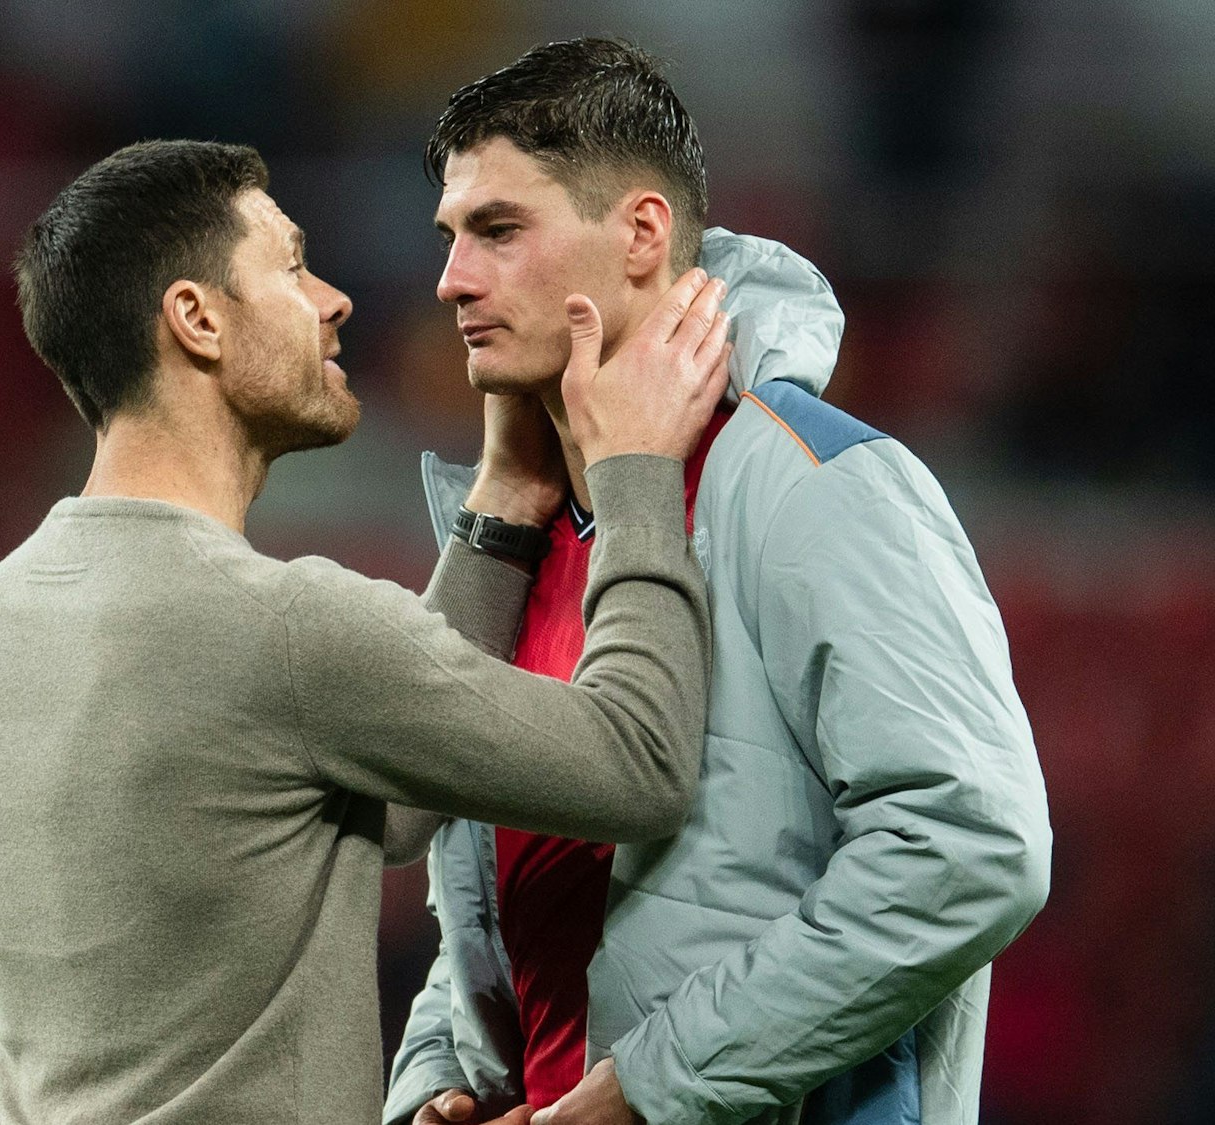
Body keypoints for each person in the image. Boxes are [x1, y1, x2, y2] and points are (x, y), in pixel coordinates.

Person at [0, 138, 732, 1123]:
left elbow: (368, 807)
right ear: (196, 321)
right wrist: (638, 470)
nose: (331, 299)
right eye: (290, 266)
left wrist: (498, 509)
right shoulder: (274, 624)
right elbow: (639, 765)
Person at [386, 40, 1052, 1125]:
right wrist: (443, 1078)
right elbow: (498, 901)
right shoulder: (523, 523)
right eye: (452, 236)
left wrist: (646, 1092)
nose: (451, 279)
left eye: (498, 230)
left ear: (641, 234)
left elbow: (971, 846)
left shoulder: (817, 482)